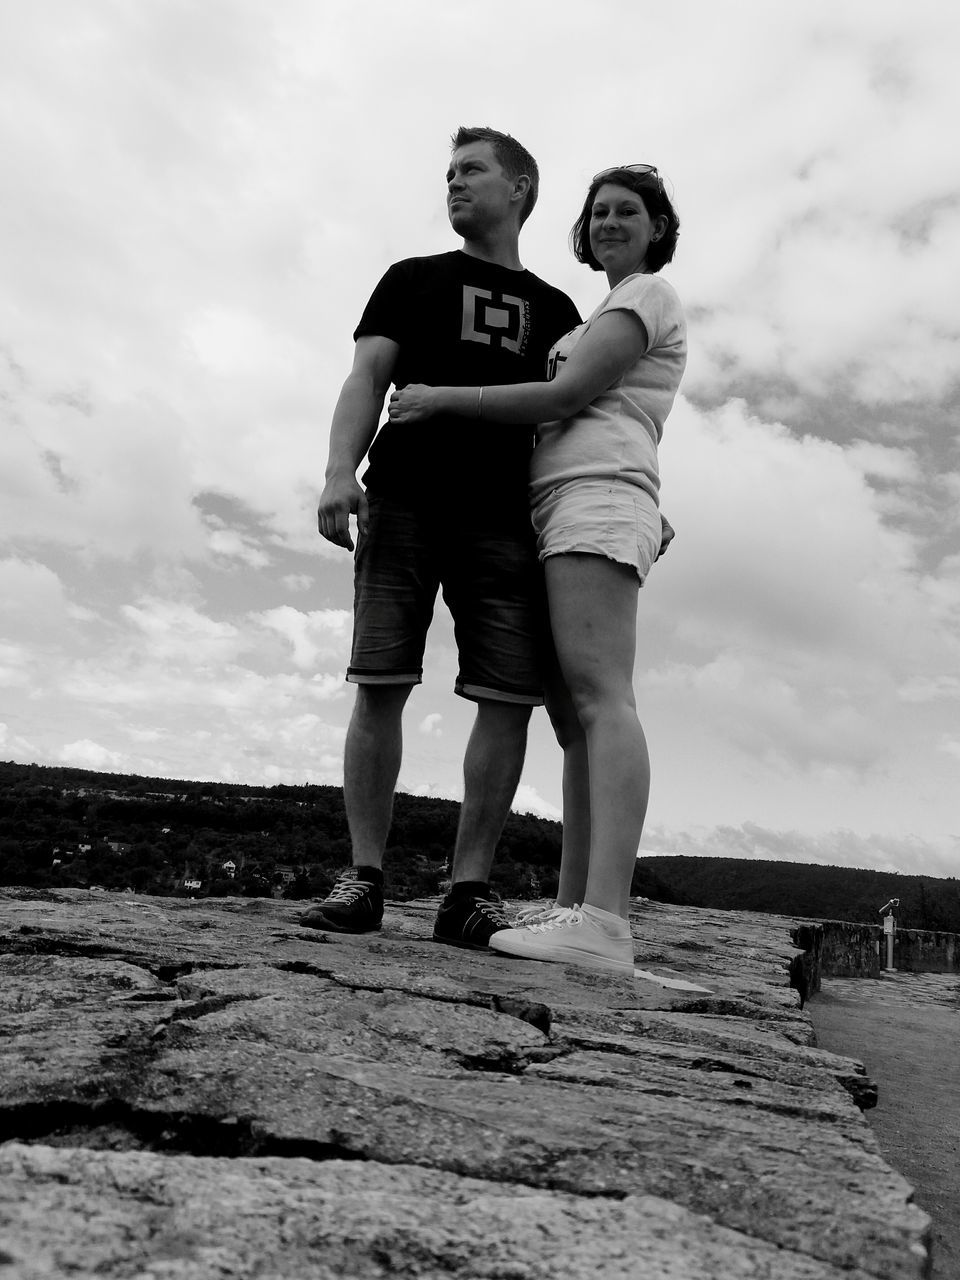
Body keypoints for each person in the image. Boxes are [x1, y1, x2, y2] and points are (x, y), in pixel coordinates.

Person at [388, 164, 686, 973]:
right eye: (599, 213)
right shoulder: (602, 309)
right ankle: (576, 909)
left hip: (594, 501)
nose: (611, 222)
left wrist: (440, 398)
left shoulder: (647, 298)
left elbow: (568, 398)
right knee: (571, 717)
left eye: (629, 211)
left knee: (600, 698)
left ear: (659, 228)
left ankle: (605, 920)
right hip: (567, 505)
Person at [300, 127, 581, 947]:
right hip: (404, 497)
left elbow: (572, 416)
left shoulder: (559, 311)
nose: (453, 184)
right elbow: (366, 377)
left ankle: (467, 893)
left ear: (520, 188)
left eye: (472, 171)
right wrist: (336, 472)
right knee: (378, 679)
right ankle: (364, 880)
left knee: (506, 697)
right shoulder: (411, 279)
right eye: (448, 174)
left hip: (506, 513)